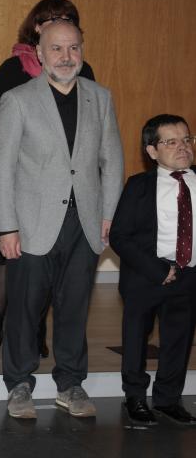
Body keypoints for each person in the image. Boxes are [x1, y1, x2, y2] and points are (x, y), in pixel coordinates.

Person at [0, 20, 123, 419]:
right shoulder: (17, 100)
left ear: (82, 51)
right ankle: (18, 385)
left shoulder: (100, 98)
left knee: (74, 307)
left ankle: (70, 383)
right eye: (57, 49)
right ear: (40, 54)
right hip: (30, 225)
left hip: (85, 223)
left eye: (74, 48)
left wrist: (108, 215)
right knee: (25, 310)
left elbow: (111, 160)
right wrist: (5, 226)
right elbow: (1, 168)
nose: (67, 57)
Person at [0, 0, 96, 356]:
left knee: (48, 263)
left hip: (62, 189)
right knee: (3, 255)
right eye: (49, 19)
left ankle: (36, 331)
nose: (56, 23)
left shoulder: (83, 71)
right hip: (15, 180)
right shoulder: (12, 68)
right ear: (35, 27)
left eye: (65, 19)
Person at [110, 114, 196, 426]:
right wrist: (157, 269)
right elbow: (120, 236)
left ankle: (169, 399)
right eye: (171, 142)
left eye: (186, 140)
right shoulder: (139, 186)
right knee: (135, 337)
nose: (182, 147)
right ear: (152, 151)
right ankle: (135, 397)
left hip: (189, 276)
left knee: (179, 339)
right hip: (146, 275)